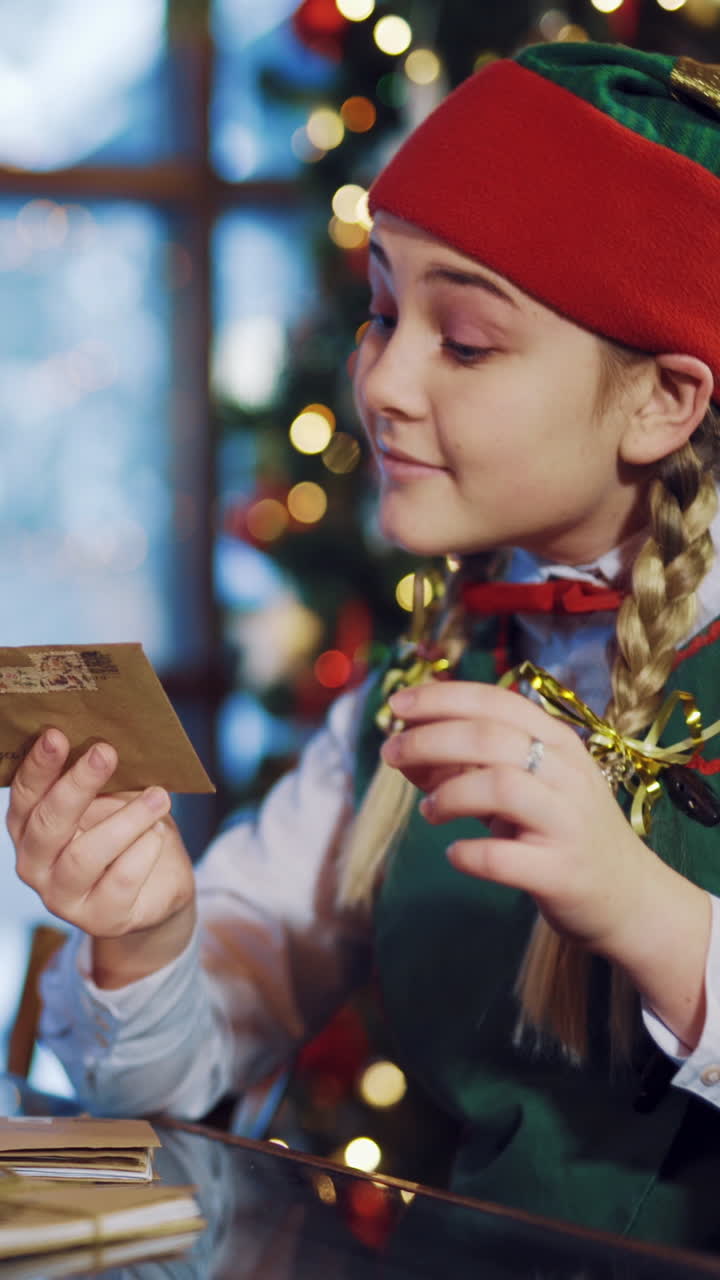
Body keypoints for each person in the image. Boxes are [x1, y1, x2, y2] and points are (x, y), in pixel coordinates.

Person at [9, 40, 720, 1248]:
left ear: (663, 399)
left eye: (466, 340)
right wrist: (144, 934)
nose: (381, 380)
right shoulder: (417, 686)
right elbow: (170, 1079)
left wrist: (644, 909)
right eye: (382, 313)